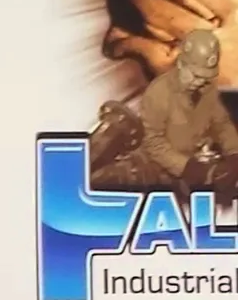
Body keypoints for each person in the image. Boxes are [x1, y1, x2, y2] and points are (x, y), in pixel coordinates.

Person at [92, 27, 238, 191]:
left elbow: (223, 125)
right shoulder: (161, 92)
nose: (200, 80)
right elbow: (153, 141)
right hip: (153, 166)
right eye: (196, 74)